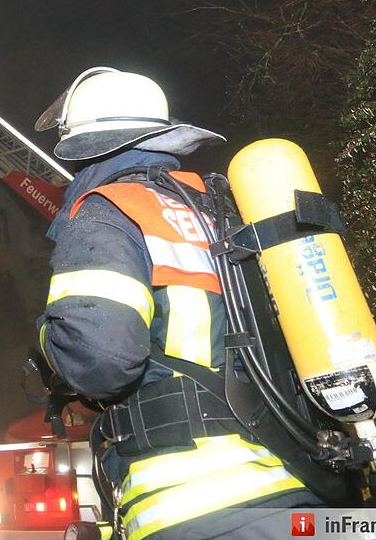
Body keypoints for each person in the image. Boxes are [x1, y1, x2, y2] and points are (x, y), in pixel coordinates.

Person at [34, 67, 320, 539]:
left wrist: (48, 334)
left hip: (198, 504)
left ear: (82, 142)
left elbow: (102, 360)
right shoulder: (225, 208)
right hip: (301, 476)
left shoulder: (109, 211)